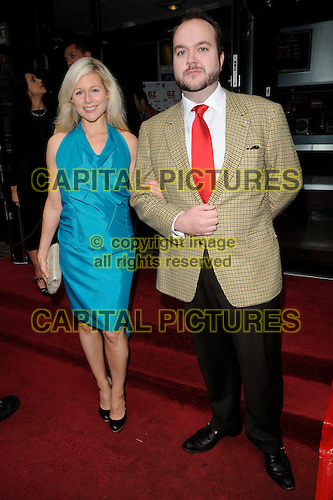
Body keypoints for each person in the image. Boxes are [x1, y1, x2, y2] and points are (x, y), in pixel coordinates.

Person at [131, 8, 302, 490]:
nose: (190, 59)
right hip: (189, 266)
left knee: (261, 362)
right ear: (174, 62)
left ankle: (269, 440)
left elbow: (288, 179)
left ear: (221, 57)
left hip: (251, 262)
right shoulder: (154, 130)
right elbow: (143, 195)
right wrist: (178, 220)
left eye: (201, 48)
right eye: (181, 51)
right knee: (213, 358)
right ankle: (223, 420)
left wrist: (247, 221)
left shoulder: (263, 114)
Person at [38, 57, 137, 432]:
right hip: (76, 248)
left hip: (115, 250)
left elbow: (138, 194)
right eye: (79, 92)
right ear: (70, 99)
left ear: (108, 94)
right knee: (86, 324)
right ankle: (101, 384)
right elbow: (53, 201)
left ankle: (119, 392)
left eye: (94, 89)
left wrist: (153, 188)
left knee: (112, 327)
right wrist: (44, 252)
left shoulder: (128, 142)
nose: (88, 98)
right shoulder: (58, 144)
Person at [10, 72, 55, 295]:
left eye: (38, 77)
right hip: (29, 177)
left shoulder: (56, 112)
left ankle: (53, 268)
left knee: (54, 222)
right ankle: (39, 271)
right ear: (26, 90)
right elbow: (15, 154)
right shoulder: (18, 116)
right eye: (32, 80)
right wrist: (13, 187)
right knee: (32, 223)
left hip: (54, 176)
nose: (39, 81)